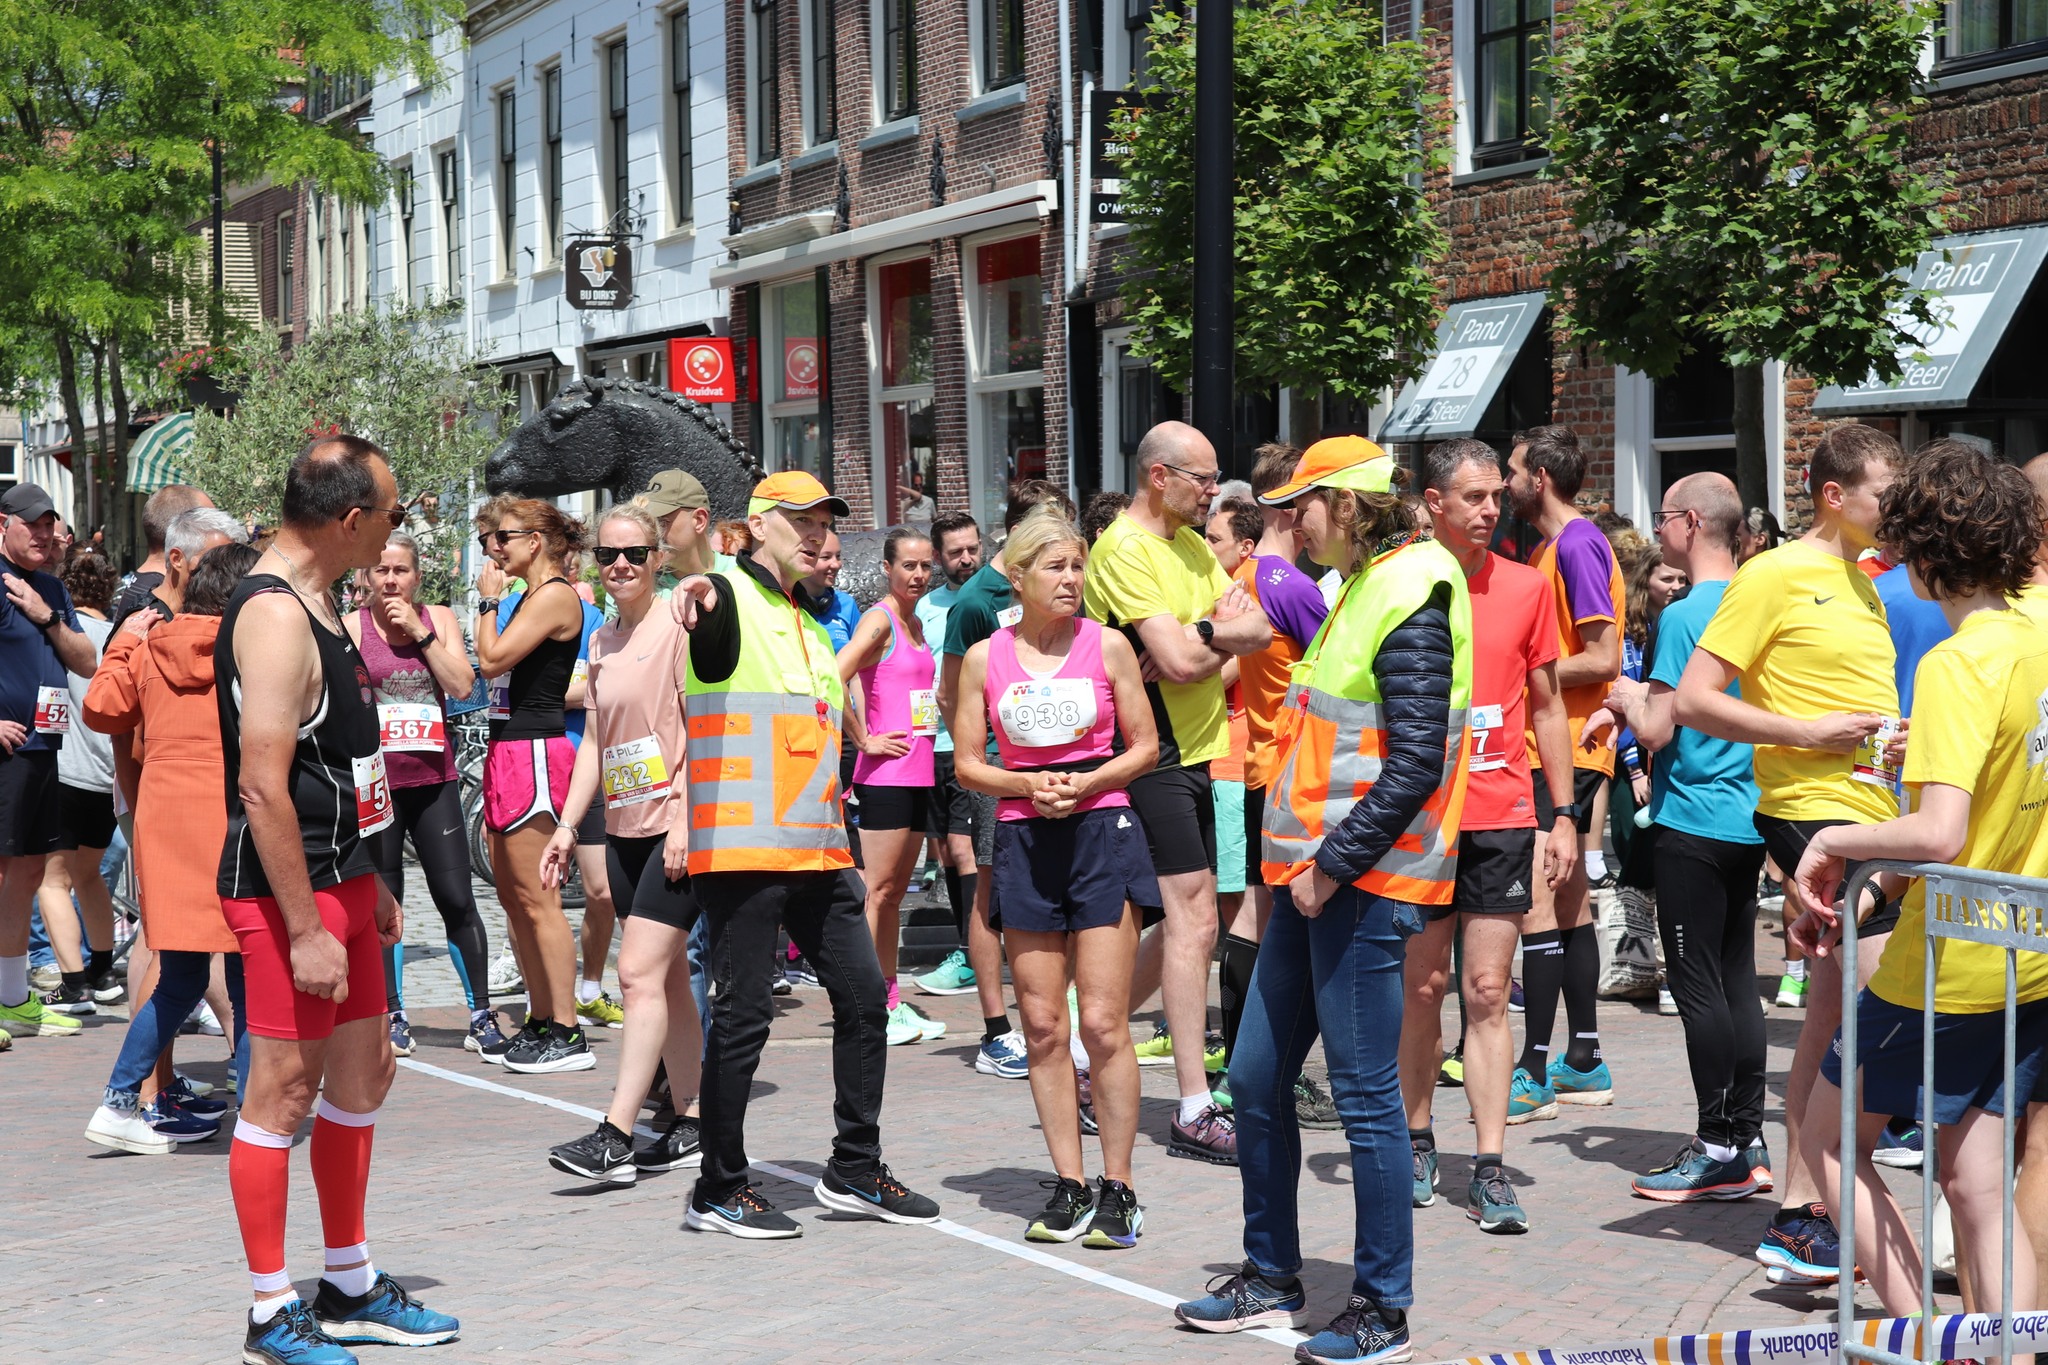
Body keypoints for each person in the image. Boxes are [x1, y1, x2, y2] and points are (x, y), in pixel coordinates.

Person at [1175, 437, 1470, 1363]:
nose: (1287, 520)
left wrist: (1331, 866)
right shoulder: (1358, 587)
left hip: (1359, 887)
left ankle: (1383, 1308)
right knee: (1257, 1079)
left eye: (1301, 503)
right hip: (1313, 887)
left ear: (1347, 503)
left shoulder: (1412, 588)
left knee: (1366, 1098)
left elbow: (1417, 760)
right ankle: (1272, 1274)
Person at [215, 436, 459, 1363]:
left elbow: (350, 761)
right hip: (291, 897)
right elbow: (262, 788)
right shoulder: (274, 615)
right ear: (352, 521)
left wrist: (375, 887)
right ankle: (270, 1312)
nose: (400, 529)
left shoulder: (327, 598)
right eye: (394, 515)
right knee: (282, 1095)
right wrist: (309, 922)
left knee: (365, 1078)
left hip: (349, 881)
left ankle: (349, 1282)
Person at [1793, 440, 2048, 1324]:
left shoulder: (1956, 661)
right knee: (1977, 1179)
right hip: (2030, 953)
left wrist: (1833, 836)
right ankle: (2006, 1350)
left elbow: (1938, 833)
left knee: (1824, 1137)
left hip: (1951, 961)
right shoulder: (2038, 631)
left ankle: (1921, 1341)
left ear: (1923, 551)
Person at [670, 470, 942, 1239]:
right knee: (745, 1019)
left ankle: (854, 1167)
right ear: (756, 526)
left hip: (820, 853)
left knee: (865, 1001)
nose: (818, 533)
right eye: (800, 520)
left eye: (825, 521)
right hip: (745, 853)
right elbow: (705, 612)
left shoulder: (810, 626)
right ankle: (717, 1186)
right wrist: (699, 592)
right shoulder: (725, 594)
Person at [1674, 421, 1901, 1284]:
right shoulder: (1772, 574)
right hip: (1808, 813)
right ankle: (1826, 1201)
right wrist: (1806, 730)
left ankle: (1803, 1215)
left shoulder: (1867, 580)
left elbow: (1853, 710)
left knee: (1832, 1011)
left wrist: (1894, 749)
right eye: (1887, 491)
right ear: (1835, 495)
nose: (1900, 507)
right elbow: (1695, 699)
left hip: (1869, 806)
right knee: (1875, 1000)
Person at [953, 506, 1161, 1246]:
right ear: (1019, 576)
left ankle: (1120, 1186)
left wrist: (1086, 780)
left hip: (1102, 831)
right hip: (1023, 838)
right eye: (1056, 567)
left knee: (1103, 1023)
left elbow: (1147, 747)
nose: (1072, 579)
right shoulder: (986, 657)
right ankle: (1069, 1184)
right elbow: (967, 761)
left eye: (1077, 565)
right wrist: (1023, 787)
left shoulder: (1107, 646)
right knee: (1043, 1024)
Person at [1085, 421, 1272, 1165]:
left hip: (1199, 750)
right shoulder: (1123, 550)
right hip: (1149, 750)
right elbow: (1179, 660)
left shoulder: (1194, 545)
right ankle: (1194, 1104)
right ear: (1159, 475)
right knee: (1192, 920)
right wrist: (1208, 634)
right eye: (1203, 479)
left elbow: (1257, 627)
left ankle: (1081, 1044)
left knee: (1172, 922)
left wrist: (1206, 636)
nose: (1215, 493)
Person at [1403, 439, 1577, 1234]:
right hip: (1416, 816)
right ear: (1433, 502)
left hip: (1503, 813)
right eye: (1470, 496)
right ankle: (1413, 1141)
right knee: (1423, 988)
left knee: (1483, 991)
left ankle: (1490, 1165)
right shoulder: (1403, 583)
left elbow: (1546, 704)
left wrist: (1563, 811)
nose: (1488, 508)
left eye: (1492, 496)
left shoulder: (1525, 586)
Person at [1591, 474, 1773, 1199]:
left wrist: (1621, 699)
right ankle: (1749, 1135)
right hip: (1752, 813)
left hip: (1693, 815)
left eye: (1665, 517)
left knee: (1697, 983)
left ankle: (1717, 1143)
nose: (1659, 529)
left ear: (1691, 523)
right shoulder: (1762, 602)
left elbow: (1660, 726)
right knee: (1738, 982)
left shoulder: (1684, 612)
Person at [541, 503, 705, 1184]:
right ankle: (694, 1118)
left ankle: (616, 1132)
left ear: (658, 557)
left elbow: (706, 726)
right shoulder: (602, 640)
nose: (621, 566)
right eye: (609, 555)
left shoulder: (680, 621)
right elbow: (598, 747)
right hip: (625, 829)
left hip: (674, 828)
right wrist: (568, 824)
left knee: (635, 975)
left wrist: (688, 821)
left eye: (635, 553)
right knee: (666, 979)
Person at [81, 540, 258, 1152]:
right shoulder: (249, 648)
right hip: (234, 820)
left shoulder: (152, 644)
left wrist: (127, 637)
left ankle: (120, 1099)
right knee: (249, 970)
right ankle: (258, 1107)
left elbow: (102, 710)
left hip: (165, 822)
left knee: (179, 974)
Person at [1501, 424, 1623, 1117]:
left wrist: (1519, 677)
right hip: (1570, 746)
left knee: (1539, 903)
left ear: (1538, 476)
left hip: (1562, 748)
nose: (1506, 484)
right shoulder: (1560, 545)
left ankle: (1534, 1069)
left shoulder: (1574, 543)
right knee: (1570, 901)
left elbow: (1604, 656)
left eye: (1512, 472)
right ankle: (1583, 1058)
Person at [940, 480, 1078, 1079]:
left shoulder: (1071, 589)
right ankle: (997, 1029)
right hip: (1002, 769)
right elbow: (952, 692)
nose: (1066, 562)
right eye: (1050, 542)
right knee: (993, 887)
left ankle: (1052, 1016)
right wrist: (984, 763)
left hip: (1069, 766)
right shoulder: (977, 600)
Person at [346, 531, 490, 1058]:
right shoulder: (352, 627)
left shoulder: (440, 620)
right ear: (365, 576)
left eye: (400, 571)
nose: (389, 580)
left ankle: (480, 1013)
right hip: (379, 788)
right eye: (380, 570)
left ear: (416, 577)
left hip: (435, 783)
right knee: (387, 906)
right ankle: (393, 1014)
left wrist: (420, 635)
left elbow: (460, 687)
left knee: (456, 898)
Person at [470, 497, 598, 1073]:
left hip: (537, 749)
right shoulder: (529, 596)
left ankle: (568, 1031)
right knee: (514, 896)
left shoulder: (554, 595)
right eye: (491, 541)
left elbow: (492, 658)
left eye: (503, 538)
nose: (495, 549)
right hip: (509, 746)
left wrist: (488, 599)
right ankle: (541, 1016)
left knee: (540, 899)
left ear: (536, 541)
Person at [837, 528, 946, 1046]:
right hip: (885, 775)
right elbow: (832, 675)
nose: (919, 575)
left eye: (926, 566)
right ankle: (863, 1003)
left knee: (894, 894)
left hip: (919, 771)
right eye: (909, 566)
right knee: (875, 894)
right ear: (887, 568)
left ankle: (890, 1001)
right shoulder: (880, 619)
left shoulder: (917, 621)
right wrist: (863, 739)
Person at [0, 482, 100, 1041]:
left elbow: (86, 661)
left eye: (48, 525)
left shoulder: (49, 591)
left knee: (29, 874)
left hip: (43, 749)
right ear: (4, 524)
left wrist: (46, 616)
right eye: (31, 524)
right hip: (6, 752)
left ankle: (13, 1000)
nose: (42, 534)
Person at [911, 513, 1001, 1029]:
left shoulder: (991, 601)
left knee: (969, 851)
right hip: (932, 744)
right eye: (955, 552)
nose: (966, 559)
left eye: (972, 549)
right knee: (947, 848)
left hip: (974, 747)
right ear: (939, 556)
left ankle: (972, 954)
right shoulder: (926, 606)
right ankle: (964, 945)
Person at [36, 550, 122, 1014]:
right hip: (107, 778)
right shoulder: (117, 635)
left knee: (52, 881)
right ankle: (103, 971)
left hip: (66, 771)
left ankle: (73, 985)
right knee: (89, 876)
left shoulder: (62, 636)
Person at [110, 484, 216, 630]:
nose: (219, 530)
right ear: (181, 527)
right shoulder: (160, 592)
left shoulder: (145, 582)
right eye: (211, 522)